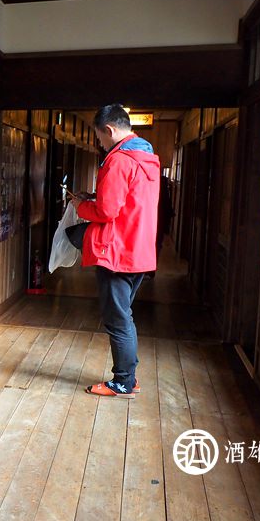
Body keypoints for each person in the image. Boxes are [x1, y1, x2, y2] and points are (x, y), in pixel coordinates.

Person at [71, 104, 159, 398]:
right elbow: (128, 203)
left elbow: (107, 211)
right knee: (123, 315)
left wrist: (80, 206)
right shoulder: (146, 157)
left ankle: (123, 382)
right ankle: (129, 378)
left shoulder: (119, 160)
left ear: (109, 130)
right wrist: (93, 198)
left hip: (117, 252)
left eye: (99, 138)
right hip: (138, 249)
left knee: (118, 320)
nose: (100, 144)